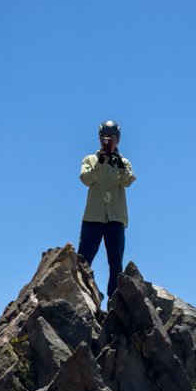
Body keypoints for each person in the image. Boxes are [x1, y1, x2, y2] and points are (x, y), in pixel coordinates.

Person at [78, 121, 135, 294]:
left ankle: (114, 303)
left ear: (118, 140)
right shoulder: (90, 160)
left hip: (116, 219)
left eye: (112, 137)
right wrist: (101, 162)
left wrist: (119, 165)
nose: (109, 140)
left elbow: (128, 181)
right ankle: (81, 296)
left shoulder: (123, 162)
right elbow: (86, 179)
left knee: (116, 263)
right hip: (93, 217)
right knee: (83, 261)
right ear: (99, 138)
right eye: (105, 137)